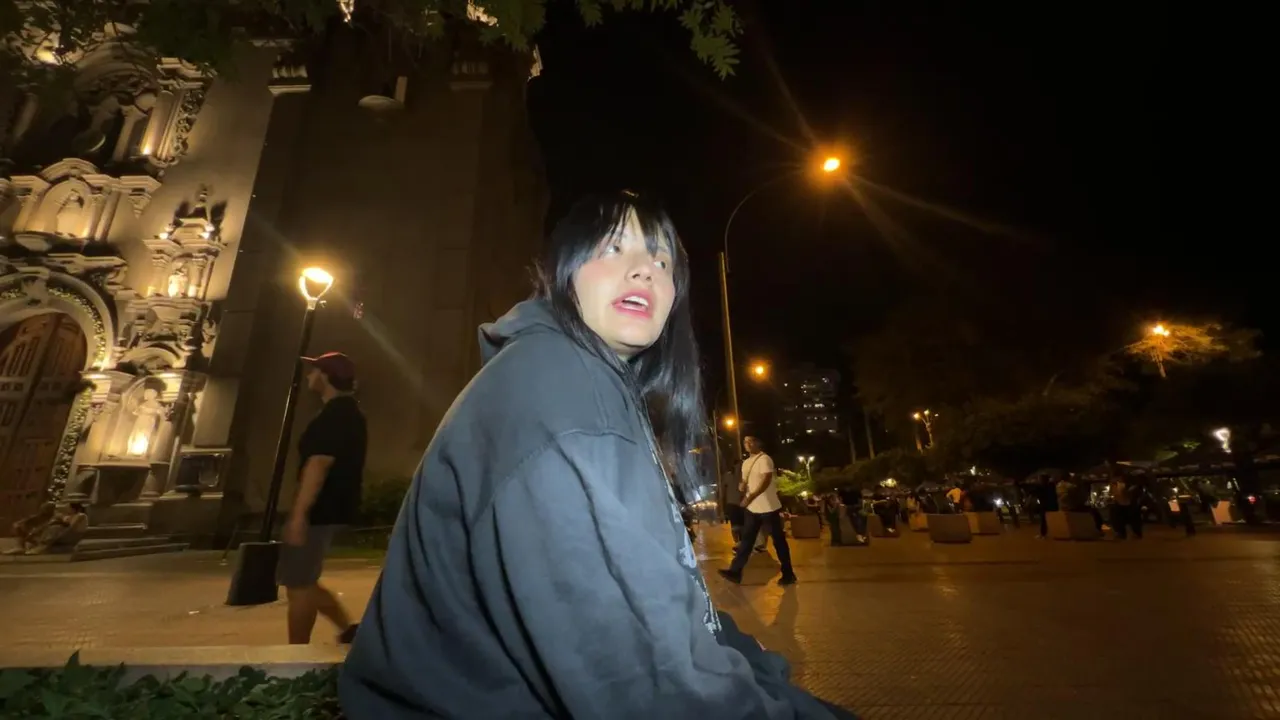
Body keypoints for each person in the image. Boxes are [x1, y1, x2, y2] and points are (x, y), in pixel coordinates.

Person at [340, 192, 854, 719]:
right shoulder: (565, 396)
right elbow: (646, 687)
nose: (645, 270)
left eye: (662, 261)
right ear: (562, 272)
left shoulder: (581, 379)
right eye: (614, 248)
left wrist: (752, 662)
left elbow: (662, 601)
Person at [279, 351, 366, 645]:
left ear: (326, 376)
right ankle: (348, 629)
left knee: (298, 585)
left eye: (314, 370)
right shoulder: (348, 412)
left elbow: (318, 464)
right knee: (305, 580)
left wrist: (299, 515)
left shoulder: (335, 415)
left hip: (319, 510)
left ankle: (296, 653)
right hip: (330, 508)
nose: (309, 376)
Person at [718, 435, 797, 586]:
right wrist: (742, 486)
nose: (747, 444)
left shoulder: (765, 459)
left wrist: (751, 497)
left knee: (778, 541)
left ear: (758, 443)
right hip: (752, 509)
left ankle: (788, 573)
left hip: (769, 507)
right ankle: (735, 572)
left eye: (750, 441)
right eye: (745, 441)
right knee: (746, 541)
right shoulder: (746, 463)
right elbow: (746, 482)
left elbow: (766, 481)